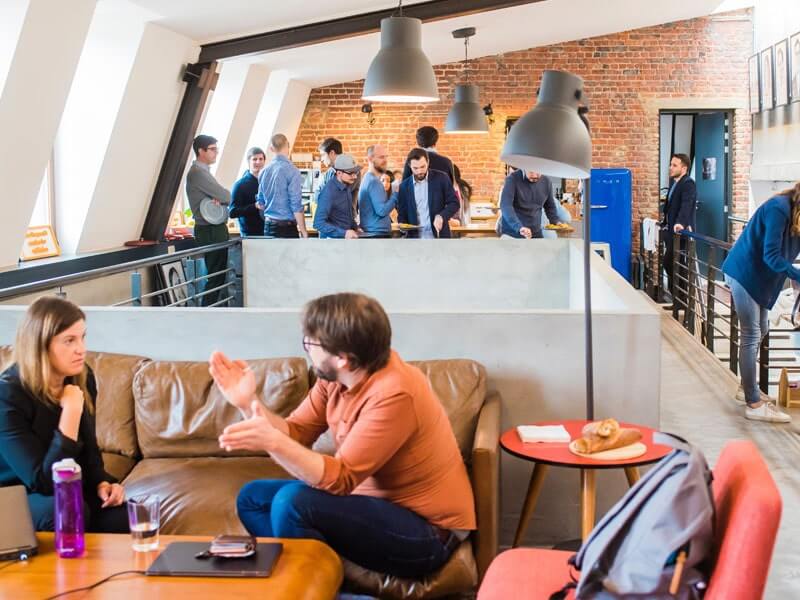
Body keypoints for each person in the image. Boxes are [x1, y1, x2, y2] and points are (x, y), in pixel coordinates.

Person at [211, 292, 475, 579]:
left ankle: (308, 586)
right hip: (372, 507)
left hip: (427, 532)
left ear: (342, 359)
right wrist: (248, 403)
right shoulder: (337, 378)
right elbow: (296, 432)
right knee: (252, 498)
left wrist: (273, 442)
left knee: (292, 502)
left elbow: (341, 479)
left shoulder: (395, 393)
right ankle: (319, 580)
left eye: (311, 343)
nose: (307, 349)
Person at [0, 297, 128, 532]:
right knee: (66, 510)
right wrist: (70, 413)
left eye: (82, 337)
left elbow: (90, 453)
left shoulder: (81, 377)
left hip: (65, 485)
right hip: (14, 494)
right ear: (40, 346)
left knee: (123, 515)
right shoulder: (7, 394)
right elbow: (42, 482)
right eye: (69, 340)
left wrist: (103, 482)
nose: (81, 349)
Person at [721, 184, 800, 423]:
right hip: (744, 273)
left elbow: (789, 256)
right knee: (752, 333)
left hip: (761, 278)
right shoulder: (779, 208)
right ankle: (753, 403)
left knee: (762, 329)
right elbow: (772, 255)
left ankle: (745, 386)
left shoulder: (795, 214)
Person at [185, 134, 231, 306]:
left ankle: (210, 310)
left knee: (218, 275)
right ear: (201, 151)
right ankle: (207, 311)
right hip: (210, 230)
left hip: (213, 228)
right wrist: (219, 198)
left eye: (216, 149)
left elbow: (223, 197)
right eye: (212, 149)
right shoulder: (198, 173)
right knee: (216, 276)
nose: (216, 152)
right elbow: (227, 196)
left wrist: (218, 198)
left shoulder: (203, 172)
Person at [396, 148, 460, 239]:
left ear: (428, 162)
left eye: (423, 167)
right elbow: (402, 213)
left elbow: (454, 203)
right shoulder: (404, 186)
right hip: (415, 239)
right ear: (410, 166)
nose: (419, 171)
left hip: (439, 236)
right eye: (415, 168)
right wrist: (402, 225)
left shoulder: (442, 178)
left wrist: (441, 216)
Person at [257, 133, 308, 239]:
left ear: (271, 149)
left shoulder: (263, 171)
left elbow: (260, 203)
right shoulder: (292, 171)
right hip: (286, 228)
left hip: (268, 227)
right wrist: (303, 231)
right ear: (287, 145)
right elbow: (295, 206)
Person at [662, 153, 697, 305]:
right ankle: (677, 300)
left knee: (672, 263)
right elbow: (671, 207)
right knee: (673, 263)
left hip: (680, 233)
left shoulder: (688, 183)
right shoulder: (674, 183)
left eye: (674, 165)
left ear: (684, 168)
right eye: (671, 164)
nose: (670, 167)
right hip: (670, 232)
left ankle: (682, 300)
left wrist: (681, 223)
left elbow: (686, 204)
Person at [498, 170, 562, 238]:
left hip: (536, 233)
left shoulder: (547, 182)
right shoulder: (512, 179)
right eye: (531, 171)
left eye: (538, 171)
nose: (535, 175)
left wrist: (556, 221)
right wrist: (519, 227)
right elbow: (506, 206)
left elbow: (550, 206)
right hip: (512, 233)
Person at [313, 154, 360, 239]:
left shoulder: (346, 186)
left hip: (344, 240)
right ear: (339, 173)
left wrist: (355, 227)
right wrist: (344, 233)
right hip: (332, 242)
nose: (355, 176)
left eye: (355, 172)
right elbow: (318, 223)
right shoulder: (329, 192)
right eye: (351, 173)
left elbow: (346, 215)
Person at [358, 145, 396, 238]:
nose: (385, 160)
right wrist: (396, 195)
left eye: (386, 157)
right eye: (381, 157)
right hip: (377, 235)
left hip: (372, 233)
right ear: (370, 159)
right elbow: (382, 211)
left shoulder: (367, 178)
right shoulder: (374, 181)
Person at [229, 147, 267, 237]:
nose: (258, 162)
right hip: (249, 236)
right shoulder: (239, 185)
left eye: (261, 159)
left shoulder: (268, 182)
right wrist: (254, 206)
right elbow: (232, 212)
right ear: (248, 162)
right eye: (254, 159)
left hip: (268, 233)